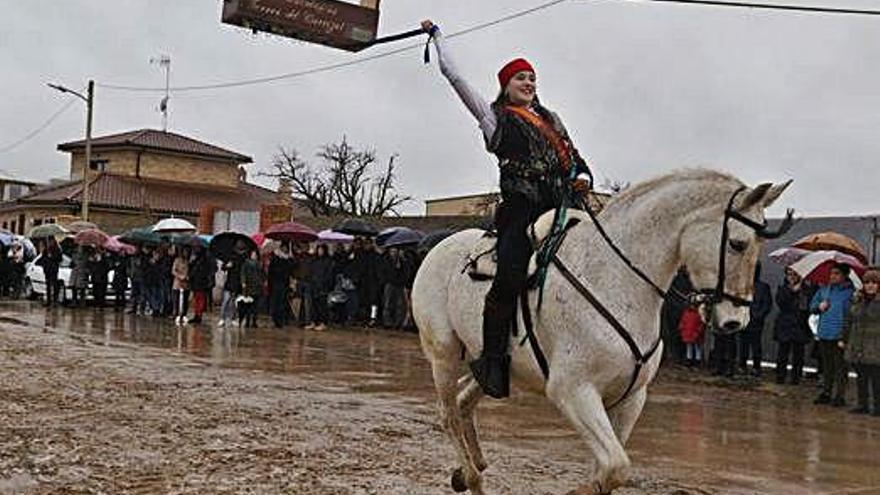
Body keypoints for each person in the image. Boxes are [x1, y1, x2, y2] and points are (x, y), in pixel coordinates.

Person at [423, 20, 593, 398]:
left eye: (532, 78)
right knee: (510, 274)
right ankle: (493, 359)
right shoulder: (494, 117)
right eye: (520, 78)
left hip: (564, 206)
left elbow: (576, 158)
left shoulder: (552, 120)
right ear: (506, 85)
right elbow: (455, 77)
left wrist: (584, 177)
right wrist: (437, 38)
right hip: (521, 212)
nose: (528, 83)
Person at [811, 263, 855, 407]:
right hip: (824, 332)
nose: (833, 276)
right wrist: (819, 306)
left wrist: (845, 336)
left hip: (840, 334)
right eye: (831, 273)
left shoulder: (850, 293)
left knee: (841, 367)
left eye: (837, 273)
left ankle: (839, 395)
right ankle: (826, 392)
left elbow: (851, 315)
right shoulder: (824, 290)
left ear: (844, 275)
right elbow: (812, 307)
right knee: (827, 366)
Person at [842, 268, 880, 416]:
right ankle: (862, 404)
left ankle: (877, 406)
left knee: (877, 379)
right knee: (861, 377)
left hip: (876, 346)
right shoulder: (858, 300)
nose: (870, 285)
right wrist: (843, 338)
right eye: (867, 282)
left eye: (874, 282)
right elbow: (848, 321)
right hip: (858, 345)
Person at [773, 268, 816, 385]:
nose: (791, 277)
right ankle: (780, 376)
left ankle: (795, 377)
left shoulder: (807, 290)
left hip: (800, 325)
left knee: (798, 354)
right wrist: (792, 291)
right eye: (789, 274)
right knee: (783, 353)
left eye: (794, 274)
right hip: (785, 325)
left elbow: (809, 306)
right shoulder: (783, 288)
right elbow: (780, 303)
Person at [738, 262, 772, 377]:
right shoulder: (742, 285)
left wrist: (757, 316)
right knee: (743, 344)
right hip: (743, 319)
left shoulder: (763, 287)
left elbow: (767, 304)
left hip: (755, 321)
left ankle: (756, 367)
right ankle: (742, 365)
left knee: (756, 345)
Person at [268, 244, 293, 328]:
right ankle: (275, 320)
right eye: (284, 248)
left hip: (284, 284)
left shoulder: (288, 259)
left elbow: (291, 270)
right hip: (275, 284)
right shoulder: (275, 258)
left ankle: (282, 320)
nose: (285, 249)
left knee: (283, 303)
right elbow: (271, 272)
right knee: (276, 303)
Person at [188, 245, 212, 325]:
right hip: (195, 282)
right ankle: (196, 314)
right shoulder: (195, 258)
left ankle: (198, 315)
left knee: (200, 299)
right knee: (196, 299)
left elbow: (206, 271)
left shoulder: (205, 259)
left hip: (201, 282)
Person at [240, 250, 263, 328]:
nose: (254, 256)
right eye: (253, 254)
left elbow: (262, 274)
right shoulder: (246, 263)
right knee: (249, 305)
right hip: (249, 287)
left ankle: (254, 321)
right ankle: (247, 321)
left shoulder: (259, 264)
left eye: (256, 255)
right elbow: (243, 273)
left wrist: (261, 281)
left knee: (256, 306)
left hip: (257, 287)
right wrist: (243, 283)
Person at [37, 238, 62, 307]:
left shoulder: (57, 249)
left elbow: (59, 259)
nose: (50, 242)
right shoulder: (46, 249)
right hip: (47, 269)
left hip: (54, 269)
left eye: (51, 241)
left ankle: (55, 301)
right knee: (48, 285)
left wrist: (52, 257)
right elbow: (42, 259)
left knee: (54, 285)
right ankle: (49, 301)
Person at [678, 304, 705, 368]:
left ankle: (697, 361)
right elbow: (682, 322)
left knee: (697, 348)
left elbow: (701, 325)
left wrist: (697, 332)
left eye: (693, 305)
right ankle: (689, 360)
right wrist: (681, 329)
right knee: (689, 347)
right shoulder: (686, 313)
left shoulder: (698, 314)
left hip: (695, 334)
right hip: (688, 333)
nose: (692, 306)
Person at [172, 247, 190, 325]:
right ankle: (176, 314)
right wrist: (180, 276)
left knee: (185, 299)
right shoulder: (177, 260)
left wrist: (187, 276)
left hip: (186, 283)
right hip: (177, 283)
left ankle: (184, 314)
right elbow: (173, 270)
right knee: (176, 299)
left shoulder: (188, 261)